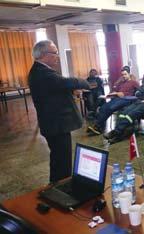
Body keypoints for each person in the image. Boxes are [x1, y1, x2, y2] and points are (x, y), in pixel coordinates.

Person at [28, 40, 90, 183]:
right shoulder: (43, 72)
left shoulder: (40, 71)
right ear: (44, 55)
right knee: (62, 161)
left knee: (59, 159)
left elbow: (55, 90)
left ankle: (56, 186)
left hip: (54, 124)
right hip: (56, 125)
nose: (58, 56)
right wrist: (85, 82)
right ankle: (60, 188)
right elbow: (66, 82)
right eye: (55, 53)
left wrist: (70, 92)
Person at [104, 71, 144, 144]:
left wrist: (143, 95)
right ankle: (118, 133)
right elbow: (137, 93)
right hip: (138, 101)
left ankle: (116, 133)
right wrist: (143, 95)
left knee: (129, 116)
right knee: (123, 113)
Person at [87, 68, 140, 135]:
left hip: (127, 99)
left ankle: (98, 127)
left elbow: (139, 92)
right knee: (103, 107)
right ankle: (98, 127)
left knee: (110, 108)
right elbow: (115, 89)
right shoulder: (121, 82)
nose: (124, 76)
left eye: (125, 74)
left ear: (129, 74)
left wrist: (125, 94)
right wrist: (117, 85)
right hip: (117, 98)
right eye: (122, 74)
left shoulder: (134, 82)